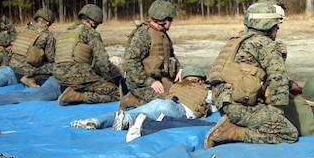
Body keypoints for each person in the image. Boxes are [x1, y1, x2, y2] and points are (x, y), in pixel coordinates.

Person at [203, 0, 298, 148]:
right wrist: (276, 112)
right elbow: (278, 81)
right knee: (288, 133)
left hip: (224, 103)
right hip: (240, 108)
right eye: (275, 24)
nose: (278, 28)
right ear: (267, 25)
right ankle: (230, 132)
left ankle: (231, 122)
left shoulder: (237, 40)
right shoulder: (266, 45)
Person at [70, 65, 213, 131]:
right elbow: (213, 105)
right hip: (177, 109)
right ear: (200, 79)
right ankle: (126, 121)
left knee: (128, 114)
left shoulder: (177, 86)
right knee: (144, 117)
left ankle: (95, 121)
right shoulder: (204, 90)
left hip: (163, 102)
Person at [53, 4, 121, 105]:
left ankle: (73, 89)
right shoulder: (90, 33)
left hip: (58, 76)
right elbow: (103, 62)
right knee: (116, 94)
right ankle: (78, 96)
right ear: (93, 22)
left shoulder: (67, 32)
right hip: (78, 75)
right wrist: (109, 80)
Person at [121, 0, 179, 107]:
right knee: (166, 102)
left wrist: (180, 69)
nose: (172, 22)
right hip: (141, 84)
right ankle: (131, 100)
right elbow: (131, 63)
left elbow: (170, 55)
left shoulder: (162, 34)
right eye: (170, 19)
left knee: (182, 96)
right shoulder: (144, 35)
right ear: (163, 20)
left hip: (161, 79)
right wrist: (149, 82)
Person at [5, 7, 57, 87]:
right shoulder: (47, 35)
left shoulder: (24, 29)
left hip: (12, 65)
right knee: (56, 67)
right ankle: (30, 79)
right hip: (26, 70)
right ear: (47, 22)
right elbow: (51, 58)